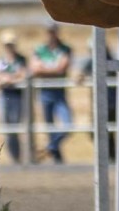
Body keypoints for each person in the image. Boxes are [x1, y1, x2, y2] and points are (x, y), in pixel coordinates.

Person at [29, 22, 72, 164]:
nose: (51, 34)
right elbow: (35, 69)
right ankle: (57, 159)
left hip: (59, 92)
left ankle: (49, 148)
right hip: (45, 92)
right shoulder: (40, 49)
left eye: (53, 31)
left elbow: (62, 68)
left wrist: (44, 69)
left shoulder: (64, 49)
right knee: (49, 127)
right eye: (49, 32)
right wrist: (52, 69)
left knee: (67, 125)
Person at [75, 38, 118, 162]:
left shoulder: (106, 60)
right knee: (101, 131)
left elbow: (80, 75)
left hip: (109, 102)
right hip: (102, 102)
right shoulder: (98, 60)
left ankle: (110, 157)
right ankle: (109, 157)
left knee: (105, 131)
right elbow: (80, 74)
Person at [0, 29, 29, 164]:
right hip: (5, 95)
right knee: (8, 127)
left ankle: (19, 156)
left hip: (18, 95)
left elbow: (24, 74)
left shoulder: (21, 60)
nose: (9, 47)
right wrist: (12, 78)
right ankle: (14, 158)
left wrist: (9, 79)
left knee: (16, 125)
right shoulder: (1, 61)